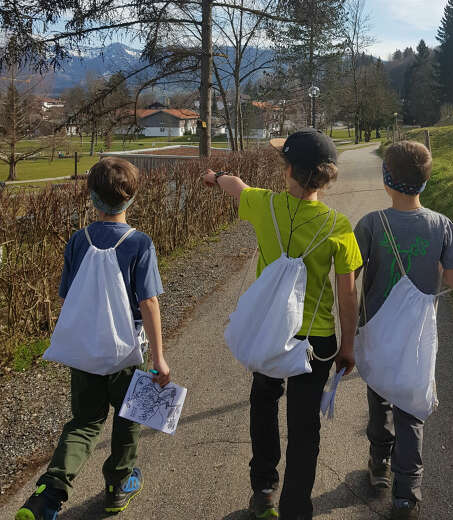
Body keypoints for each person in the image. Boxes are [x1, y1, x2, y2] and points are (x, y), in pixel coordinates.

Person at [203, 128, 363, 520]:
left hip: (269, 336)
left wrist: (214, 177)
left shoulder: (264, 206)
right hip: (317, 340)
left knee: (263, 404)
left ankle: (264, 491)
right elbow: (347, 294)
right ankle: (296, 508)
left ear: (289, 171)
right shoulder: (339, 226)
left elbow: (235, 186)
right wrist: (348, 346)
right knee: (305, 426)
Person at [16, 157, 170, 520]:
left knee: (84, 422)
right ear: (132, 198)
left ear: (91, 198)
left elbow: (68, 298)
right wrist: (160, 357)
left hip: (85, 352)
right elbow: (149, 303)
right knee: (129, 417)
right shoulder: (140, 244)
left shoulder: (77, 240)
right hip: (128, 353)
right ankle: (118, 485)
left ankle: (48, 494)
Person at [354, 141, 453, 520]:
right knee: (411, 408)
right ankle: (407, 492)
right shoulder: (442, 225)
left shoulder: (371, 224)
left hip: (376, 328)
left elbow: (349, 274)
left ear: (386, 180)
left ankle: (378, 465)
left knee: (380, 398)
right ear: (426, 181)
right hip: (419, 334)